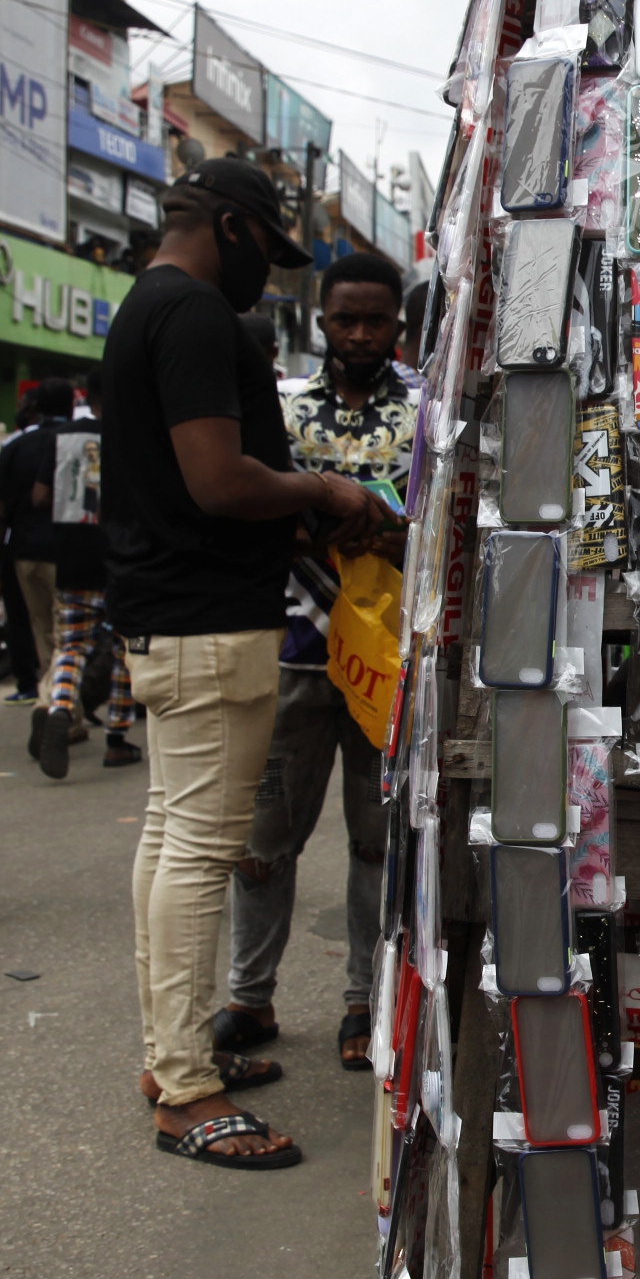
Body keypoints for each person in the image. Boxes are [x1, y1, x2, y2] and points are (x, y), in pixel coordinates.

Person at [102, 157, 380, 1170]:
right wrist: (325, 489)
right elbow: (220, 480)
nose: (267, 274)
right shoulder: (195, 319)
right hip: (209, 622)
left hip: (174, 616)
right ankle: (186, 1088)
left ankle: (169, 1053)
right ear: (227, 224)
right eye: (265, 247)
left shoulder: (146, 307)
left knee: (172, 839)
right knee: (196, 849)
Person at [214, 250, 414, 1072]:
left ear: (399, 323)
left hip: (390, 659)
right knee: (264, 842)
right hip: (294, 651)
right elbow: (256, 508)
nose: (360, 333)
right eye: (345, 318)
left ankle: (364, 1002)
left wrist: (360, 526)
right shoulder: (282, 409)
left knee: (377, 843)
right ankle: (249, 999)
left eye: (375, 319)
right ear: (321, 321)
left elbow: (438, 519)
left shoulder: (429, 413)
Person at [33, 378, 139, 775]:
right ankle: (117, 739)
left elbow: (39, 497)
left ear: (89, 399)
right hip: (123, 562)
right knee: (125, 652)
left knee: (72, 645)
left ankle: (60, 705)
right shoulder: (135, 439)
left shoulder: (62, 437)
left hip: (73, 559)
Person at [0, 381, 75, 718]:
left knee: (43, 630)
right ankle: (64, 703)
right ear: (71, 406)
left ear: (35, 408)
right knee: (75, 631)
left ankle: (51, 697)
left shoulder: (16, 447)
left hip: (26, 553)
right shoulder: (82, 442)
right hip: (74, 553)